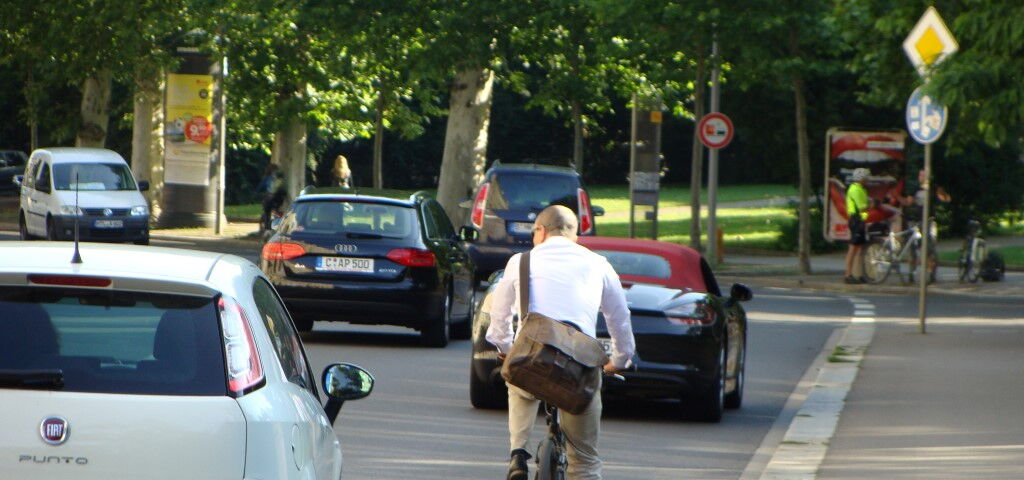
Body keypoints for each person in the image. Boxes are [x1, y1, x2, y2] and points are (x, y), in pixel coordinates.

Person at [485, 205, 636, 480]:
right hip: (578, 369)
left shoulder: (520, 262)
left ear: (541, 231)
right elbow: (619, 318)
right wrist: (620, 360)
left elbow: (499, 319)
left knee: (517, 379)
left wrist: (506, 350)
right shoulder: (599, 264)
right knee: (586, 461)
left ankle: (518, 454)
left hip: (532, 361)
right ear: (574, 235)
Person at [844, 168, 871, 284]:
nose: (867, 180)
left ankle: (859, 274)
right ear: (861, 179)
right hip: (856, 220)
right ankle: (848, 275)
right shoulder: (856, 190)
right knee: (853, 248)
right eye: (866, 178)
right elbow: (862, 208)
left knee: (860, 248)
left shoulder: (861, 189)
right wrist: (873, 205)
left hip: (860, 220)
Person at [258, 163, 286, 232]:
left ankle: (267, 228)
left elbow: (260, 188)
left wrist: (258, 192)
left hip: (269, 199)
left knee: (267, 212)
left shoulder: (268, 178)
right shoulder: (280, 178)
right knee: (277, 210)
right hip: (279, 199)